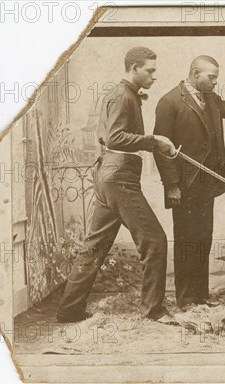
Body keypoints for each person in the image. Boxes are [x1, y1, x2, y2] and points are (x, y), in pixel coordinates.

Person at [57, 47, 177, 325]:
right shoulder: (122, 95)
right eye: (150, 70)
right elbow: (115, 138)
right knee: (155, 241)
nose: (153, 76)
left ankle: (69, 310)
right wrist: (154, 140)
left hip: (109, 175)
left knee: (95, 245)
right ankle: (154, 310)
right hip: (119, 176)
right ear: (134, 68)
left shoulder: (124, 95)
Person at [153, 54, 225, 307]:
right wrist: (171, 185)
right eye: (211, 76)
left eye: (216, 77)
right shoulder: (169, 102)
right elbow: (160, 149)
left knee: (203, 238)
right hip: (183, 186)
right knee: (186, 240)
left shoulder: (212, 99)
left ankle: (200, 297)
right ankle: (185, 299)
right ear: (195, 73)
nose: (216, 81)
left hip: (207, 185)